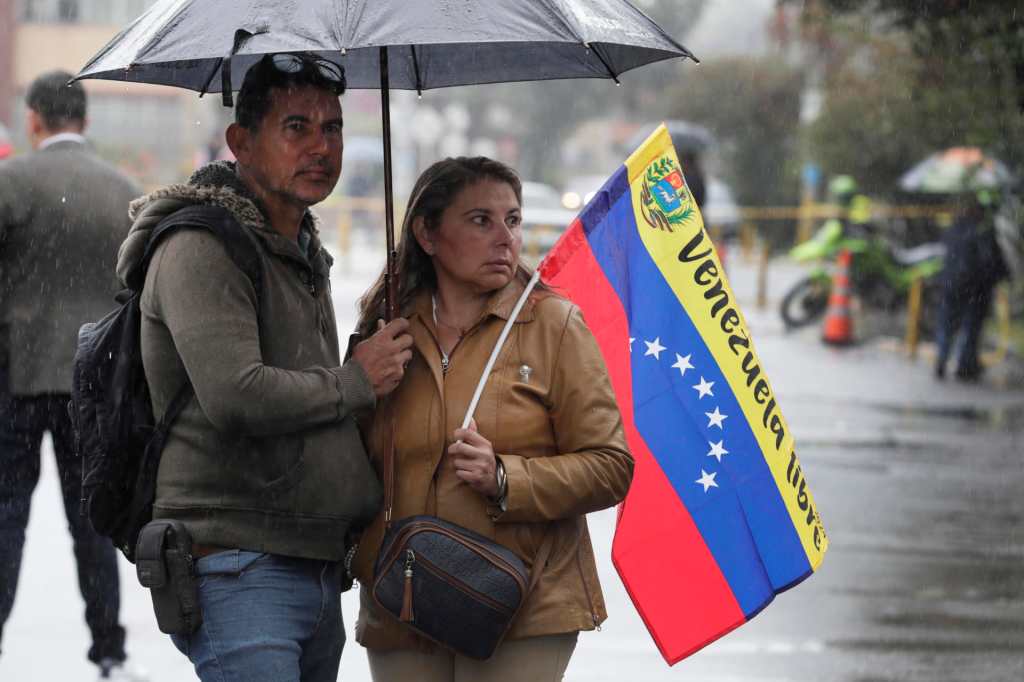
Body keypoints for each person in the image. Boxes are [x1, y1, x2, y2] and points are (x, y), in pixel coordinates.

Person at [115, 54, 412, 682]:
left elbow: (310, 385)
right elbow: (236, 395)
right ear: (241, 143)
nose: (321, 147)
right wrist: (356, 379)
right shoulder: (202, 245)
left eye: (332, 128)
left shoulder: (303, 247)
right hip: (238, 565)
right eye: (296, 127)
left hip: (311, 561)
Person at [352, 157, 634, 681]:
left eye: (513, 220)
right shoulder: (386, 327)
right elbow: (353, 461)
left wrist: (506, 478)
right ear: (427, 233)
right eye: (480, 220)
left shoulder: (554, 323)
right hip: (403, 596)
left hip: (524, 601)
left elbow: (611, 465)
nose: (505, 238)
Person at [0, 71, 145, 680]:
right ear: (84, 119)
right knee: (91, 522)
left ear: (35, 118)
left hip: (16, 380)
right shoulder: (124, 193)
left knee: (6, 520)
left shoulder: (11, 184)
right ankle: (108, 649)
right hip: (94, 388)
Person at [934, 190, 1009, 381]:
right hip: (974, 288)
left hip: (951, 284)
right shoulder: (982, 232)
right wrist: (1000, 276)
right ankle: (965, 365)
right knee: (970, 326)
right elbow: (991, 261)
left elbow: (946, 256)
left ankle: (942, 359)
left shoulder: (953, 228)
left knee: (947, 323)